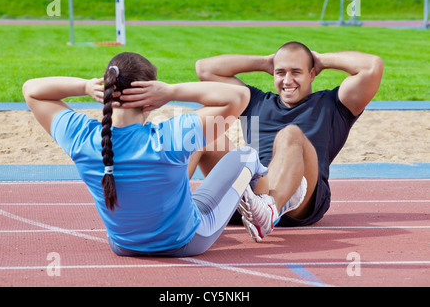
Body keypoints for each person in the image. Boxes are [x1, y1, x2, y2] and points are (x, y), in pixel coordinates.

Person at [22, 52, 269, 257]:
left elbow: (31, 89)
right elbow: (239, 96)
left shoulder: (80, 138)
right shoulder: (171, 136)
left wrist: (85, 86)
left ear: (106, 93)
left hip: (123, 246)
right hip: (186, 242)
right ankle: (268, 210)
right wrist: (171, 91)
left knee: (202, 149)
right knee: (246, 155)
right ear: (151, 101)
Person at [191, 41, 384, 242]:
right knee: (204, 130)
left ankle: (269, 209)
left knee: (290, 134)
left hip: (301, 200)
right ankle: (169, 212)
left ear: (312, 74)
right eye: (281, 72)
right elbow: (204, 69)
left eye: (296, 72)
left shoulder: (333, 105)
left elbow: (372, 66)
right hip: (252, 197)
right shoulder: (254, 101)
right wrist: (266, 62)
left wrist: (321, 60)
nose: (287, 80)